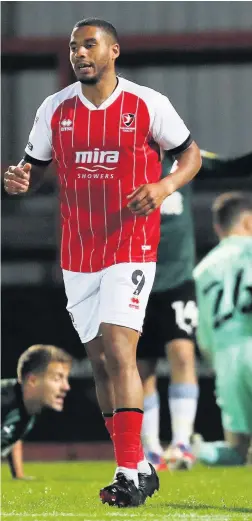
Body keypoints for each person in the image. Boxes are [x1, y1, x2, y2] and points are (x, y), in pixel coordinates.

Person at [3, 18, 201, 506]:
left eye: (88, 45)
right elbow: (35, 169)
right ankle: (137, 466)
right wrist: (20, 181)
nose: (79, 54)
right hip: (78, 252)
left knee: (119, 350)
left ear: (114, 50)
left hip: (130, 245)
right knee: (100, 364)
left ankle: (128, 475)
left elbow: (189, 155)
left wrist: (162, 187)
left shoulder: (147, 104)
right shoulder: (54, 109)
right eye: (73, 47)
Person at [137, 150, 252, 471]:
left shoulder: (183, 156)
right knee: (141, 367)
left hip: (178, 279)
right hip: (136, 277)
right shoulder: (123, 161)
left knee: (182, 356)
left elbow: (229, 164)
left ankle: (183, 443)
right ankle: (151, 449)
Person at [193, 192, 252, 466]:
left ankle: (196, 451)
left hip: (225, 357)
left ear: (218, 228)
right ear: (249, 223)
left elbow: (203, 336)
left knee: (238, 448)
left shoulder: (202, 269)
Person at [1, 344, 72, 478]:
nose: (66, 387)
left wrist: (18, 474)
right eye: (57, 378)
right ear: (32, 380)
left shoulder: (25, 406)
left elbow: (13, 434)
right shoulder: (4, 401)